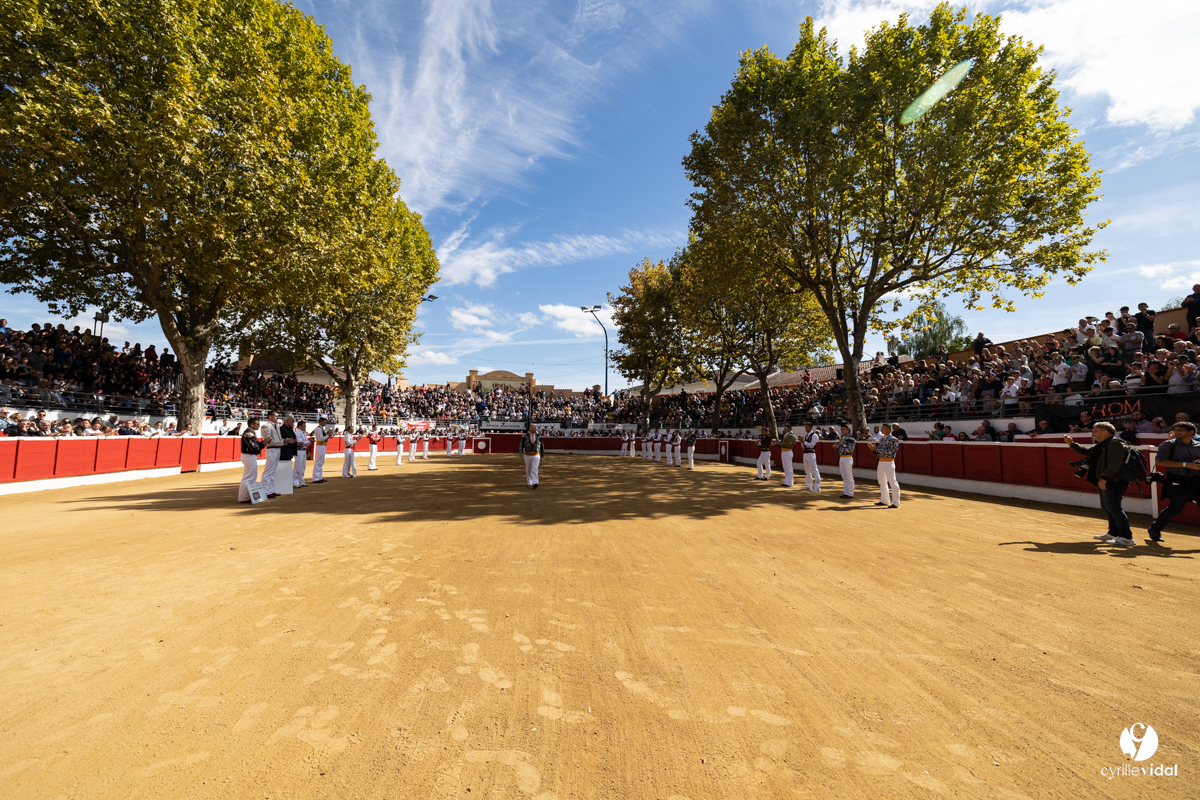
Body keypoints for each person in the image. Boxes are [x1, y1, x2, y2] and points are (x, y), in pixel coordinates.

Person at [1065, 422, 1135, 546]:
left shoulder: (1115, 444)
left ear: (1105, 432)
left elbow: (1115, 464)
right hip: (1107, 480)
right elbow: (1086, 451)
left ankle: (1126, 537)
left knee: (1114, 508)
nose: (1093, 433)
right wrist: (1072, 443)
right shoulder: (1103, 444)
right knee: (1108, 507)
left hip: (1114, 481)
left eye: (1095, 431)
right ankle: (1113, 533)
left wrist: (1104, 478)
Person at [1147, 421, 1200, 543]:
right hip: (1177, 480)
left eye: (1180, 430)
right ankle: (1155, 529)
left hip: (1197, 480)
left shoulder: (1198, 444)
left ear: (1191, 432)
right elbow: (1160, 461)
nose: (1176, 432)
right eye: (1176, 429)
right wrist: (1186, 465)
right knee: (1175, 508)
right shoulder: (1168, 445)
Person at [867, 423, 901, 508]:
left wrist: (877, 449)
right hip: (881, 462)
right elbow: (879, 452)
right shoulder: (882, 439)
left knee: (892, 482)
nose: (881, 430)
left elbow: (890, 452)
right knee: (882, 482)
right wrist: (873, 450)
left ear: (888, 430)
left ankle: (896, 502)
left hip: (889, 462)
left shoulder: (894, 439)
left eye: (883, 429)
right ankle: (885, 500)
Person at [259, 411, 288, 499]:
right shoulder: (266, 426)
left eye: (278, 416)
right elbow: (269, 441)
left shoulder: (277, 426)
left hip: (277, 448)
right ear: (270, 417)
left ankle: (270, 490)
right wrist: (284, 441)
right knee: (268, 471)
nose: (277, 418)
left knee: (273, 470)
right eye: (275, 416)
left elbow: (278, 438)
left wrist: (285, 440)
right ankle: (266, 491)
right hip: (271, 449)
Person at [238, 419, 264, 504]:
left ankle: (247, 497)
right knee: (249, 477)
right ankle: (244, 498)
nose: (259, 425)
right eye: (257, 424)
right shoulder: (248, 433)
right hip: (249, 456)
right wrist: (264, 443)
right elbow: (254, 447)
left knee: (251, 476)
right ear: (252, 425)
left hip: (249, 456)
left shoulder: (250, 432)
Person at [519, 423, 544, 489]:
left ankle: (535, 482)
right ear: (529, 429)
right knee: (528, 469)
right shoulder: (525, 436)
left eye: (534, 428)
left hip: (536, 455)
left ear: (536, 429)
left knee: (534, 469)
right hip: (527, 455)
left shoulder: (539, 436)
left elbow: (542, 446)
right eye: (531, 428)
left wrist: (542, 455)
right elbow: (521, 445)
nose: (532, 429)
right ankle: (529, 482)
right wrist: (521, 452)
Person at [836, 422, 856, 498]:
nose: (842, 430)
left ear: (848, 430)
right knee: (844, 476)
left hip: (847, 457)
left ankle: (850, 493)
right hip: (842, 457)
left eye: (844, 429)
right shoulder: (841, 438)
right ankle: (846, 492)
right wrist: (836, 448)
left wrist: (838, 448)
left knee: (848, 475)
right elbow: (839, 450)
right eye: (841, 429)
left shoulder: (851, 439)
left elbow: (849, 449)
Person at [278, 416, 298, 490]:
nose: (293, 422)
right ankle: (281, 486)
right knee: (282, 468)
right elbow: (281, 440)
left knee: (286, 468)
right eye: (291, 421)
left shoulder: (289, 429)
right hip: (284, 451)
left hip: (289, 451)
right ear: (286, 421)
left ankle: (285, 485)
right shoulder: (282, 429)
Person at [801, 422, 821, 492]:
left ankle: (818, 487)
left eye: (807, 427)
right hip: (806, 453)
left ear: (811, 427)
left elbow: (812, 445)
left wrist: (804, 441)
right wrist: (802, 442)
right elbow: (804, 446)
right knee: (807, 470)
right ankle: (808, 485)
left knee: (814, 470)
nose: (806, 428)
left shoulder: (814, 435)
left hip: (811, 453)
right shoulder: (806, 435)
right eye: (805, 427)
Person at [311, 416, 329, 483]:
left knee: (321, 462)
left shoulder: (320, 429)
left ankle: (319, 477)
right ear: (320, 422)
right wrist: (328, 435)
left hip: (322, 446)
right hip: (321, 446)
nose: (325, 423)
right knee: (319, 462)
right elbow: (320, 439)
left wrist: (328, 435)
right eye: (324, 421)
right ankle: (316, 478)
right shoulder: (318, 429)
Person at [292, 420, 308, 488]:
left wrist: (308, 442)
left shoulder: (303, 433)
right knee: (298, 467)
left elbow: (304, 442)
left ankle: (301, 481)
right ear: (300, 426)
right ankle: (294, 482)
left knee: (302, 467)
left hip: (303, 450)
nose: (305, 427)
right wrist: (309, 442)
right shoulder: (298, 433)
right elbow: (301, 442)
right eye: (304, 425)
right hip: (299, 450)